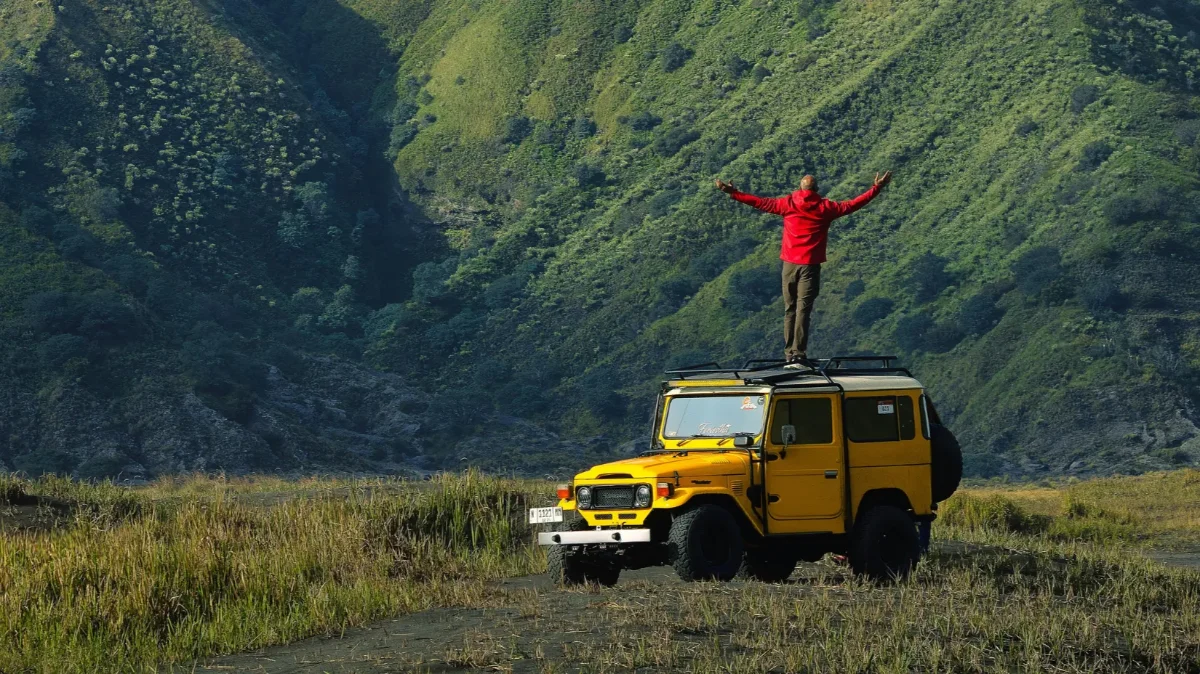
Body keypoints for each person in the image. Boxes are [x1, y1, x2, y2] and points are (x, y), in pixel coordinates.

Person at [716, 172, 892, 366]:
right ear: (816, 189)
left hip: (789, 265)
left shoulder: (788, 204)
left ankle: (788, 353)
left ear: (800, 188)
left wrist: (734, 193)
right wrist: (876, 188)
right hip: (810, 265)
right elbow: (853, 205)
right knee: (803, 309)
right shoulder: (826, 208)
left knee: (790, 308)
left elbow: (760, 202)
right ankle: (799, 353)